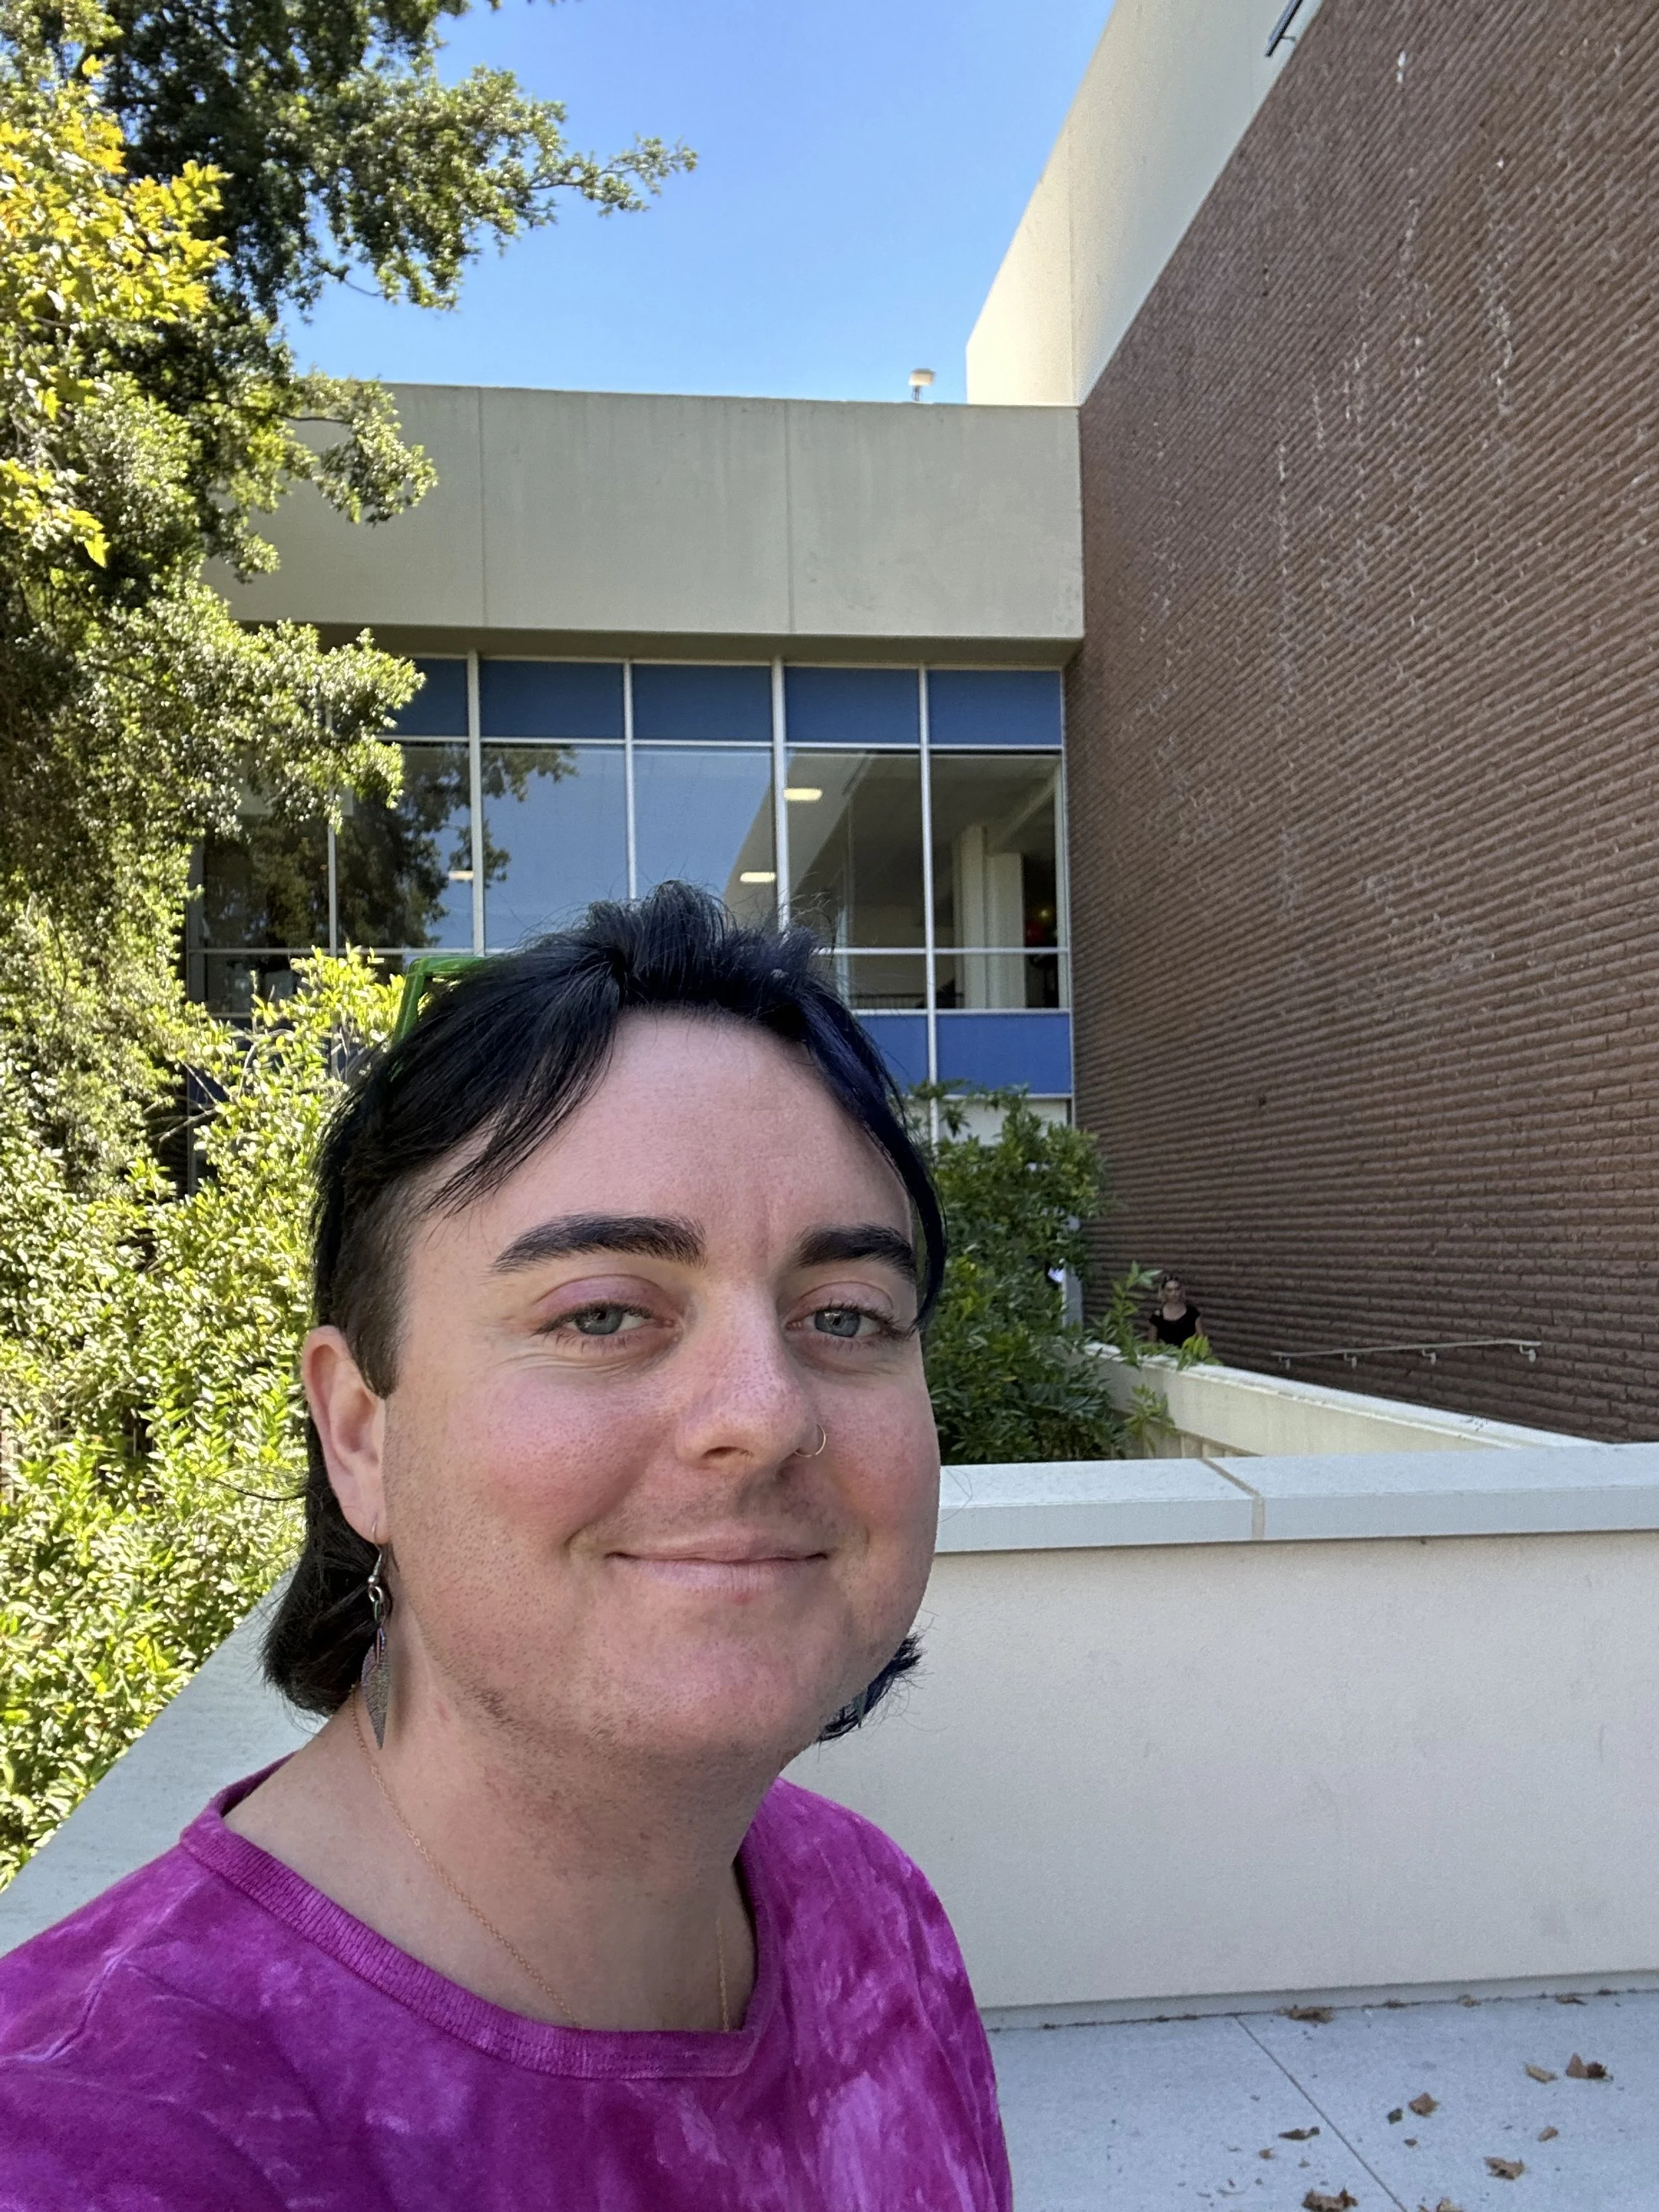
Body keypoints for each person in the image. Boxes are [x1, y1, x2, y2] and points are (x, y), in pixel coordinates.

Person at [0, 883, 1011, 2211]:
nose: (763, 1416)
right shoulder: (97, 2135)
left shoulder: (872, 1916)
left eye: (847, 1313)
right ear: (360, 1432)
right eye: (600, 1314)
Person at [1148, 1271, 1203, 1347]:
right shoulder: (1157, 1316)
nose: (1174, 1294)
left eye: (1177, 1289)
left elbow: (1202, 1340)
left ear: (1181, 1290)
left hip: (1189, 1357)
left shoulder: (1192, 1313)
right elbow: (1152, 1345)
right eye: (1169, 1290)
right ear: (1164, 1292)